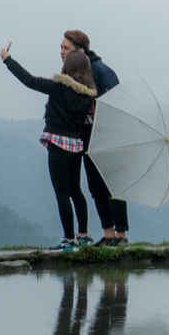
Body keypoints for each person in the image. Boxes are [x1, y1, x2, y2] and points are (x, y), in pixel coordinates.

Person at [0, 36, 97, 250]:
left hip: (58, 144)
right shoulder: (87, 95)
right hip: (76, 146)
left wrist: (8, 59)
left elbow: (29, 80)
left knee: (62, 194)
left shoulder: (60, 87)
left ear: (68, 67)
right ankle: (83, 236)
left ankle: (69, 240)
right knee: (76, 191)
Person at [63, 30, 130, 247]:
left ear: (81, 51)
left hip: (108, 134)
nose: (62, 53)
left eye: (67, 49)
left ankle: (121, 235)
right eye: (62, 49)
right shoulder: (74, 74)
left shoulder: (101, 70)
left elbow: (117, 102)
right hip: (87, 136)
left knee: (113, 184)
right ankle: (108, 234)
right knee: (95, 186)